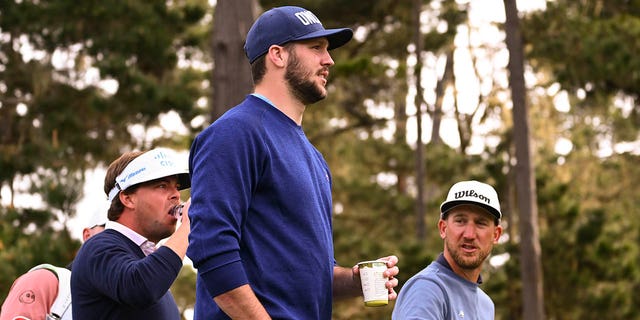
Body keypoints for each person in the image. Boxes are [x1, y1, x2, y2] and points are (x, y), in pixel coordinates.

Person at [187, 5, 399, 319]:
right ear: (278, 55)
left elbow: (310, 276)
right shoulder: (234, 134)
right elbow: (211, 249)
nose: (329, 60)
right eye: (316, 48)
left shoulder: (315, 159)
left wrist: (353, 281)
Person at [70, 148, 191, 319]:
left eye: (176, 187)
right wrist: (188, 226)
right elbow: (140, 287)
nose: (177, 195)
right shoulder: (98, 247)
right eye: (162, 186)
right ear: (127, 198)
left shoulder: (148, 263)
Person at [392, 180, 504, 320]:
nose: (469, 234)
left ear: (496, 234)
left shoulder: (486, 305)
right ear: (443, 228)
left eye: (480, 223)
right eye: (460, 221)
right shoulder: (427, 288)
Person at [0, 206, 107, 320]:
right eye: (110, 232)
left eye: (126, 234)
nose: (118, 240)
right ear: (87, 236)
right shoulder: (44, 280)